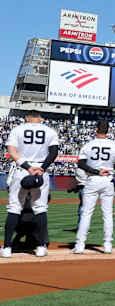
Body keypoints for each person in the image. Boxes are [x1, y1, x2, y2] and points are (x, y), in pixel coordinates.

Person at [2, 110, 59, 258]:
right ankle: (41, 247)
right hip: (41, 171)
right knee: (40, 208)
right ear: (41, 118)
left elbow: (12, 152)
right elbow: (54, 152)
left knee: (15, 207)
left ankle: (7, 247)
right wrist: (42, 168)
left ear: (27, 118)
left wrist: (28, 167)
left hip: (22, 169)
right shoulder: (50, 131)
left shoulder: (17, 129)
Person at [71, 120, 115, 255]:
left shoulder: (88, 145)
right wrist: (108, 168)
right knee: (107, 213)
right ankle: (107, 244)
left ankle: (80, 245)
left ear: (96, 130)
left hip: (93, 179)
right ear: (108, 131)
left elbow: (81, 164)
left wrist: (96, 171)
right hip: (108, 179)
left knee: (86, 213)